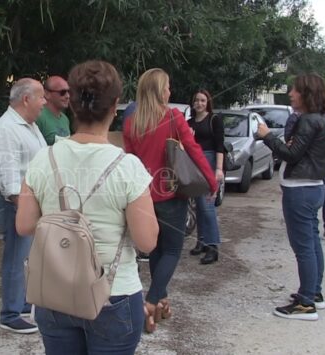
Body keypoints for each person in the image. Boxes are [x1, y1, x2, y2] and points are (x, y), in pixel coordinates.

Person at [16, 60, 159, 354]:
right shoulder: (128, 167)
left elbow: (25, 225)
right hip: (113, 294)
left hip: (54, 292)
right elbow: (147, 240)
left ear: (73, 104)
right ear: (115, 105)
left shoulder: (44, 159)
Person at [122, 68, 217, 331]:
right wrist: (210, 181)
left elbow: (130, 161)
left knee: (156, 250)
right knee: (173, 250)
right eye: (166, 87)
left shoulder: (132, 123)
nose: (169, 91)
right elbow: (196, 152)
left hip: (143, 195)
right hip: (170, 193)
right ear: (158, 91)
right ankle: (150, 303)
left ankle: (158, 306)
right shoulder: (173, 117)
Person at [258, 73, 325, 321]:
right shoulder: (316, 119)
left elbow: (291, 154)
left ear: (307, 93)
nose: (290, 93)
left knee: (303, 248)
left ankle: (306, 304)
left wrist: (267, 135)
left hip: (300, 189)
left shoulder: (308, 121)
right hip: (311, 187)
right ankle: (313, 293)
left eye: (295, 90)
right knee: (311, 242)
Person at [0, 78, 47, 333]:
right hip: (18, 204)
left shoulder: (29, 126)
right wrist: (24, 206)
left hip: (30, 203)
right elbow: (7, 176)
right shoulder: (6, 129)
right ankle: (10, 314)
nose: (45, 102)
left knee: (26, 256)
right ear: (26, 99)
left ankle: (21, 302)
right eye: (41, 96)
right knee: (15, 256)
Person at [285, 112, 325, 243]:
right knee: (311, 197)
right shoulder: (296, 117)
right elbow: (289, 139)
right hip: (307, 165)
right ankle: (310, 228)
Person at [188, 89, 225, 264]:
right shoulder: (189, 123)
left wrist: (219, 169)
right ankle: (201, 241)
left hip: (209, 161)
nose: (199, 103)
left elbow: (220, 145)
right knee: (199, 204)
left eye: (203, 100)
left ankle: (212, 246)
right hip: (194, 163)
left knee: (207, 204)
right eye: (196, 100)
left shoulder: (214, 120)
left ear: (208, 102)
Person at [36, 76, 71, 145]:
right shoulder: (38, 116)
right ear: (47, 94)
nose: (67, 96)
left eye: (68, 92)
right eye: (62, 92)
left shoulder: (65, 119)